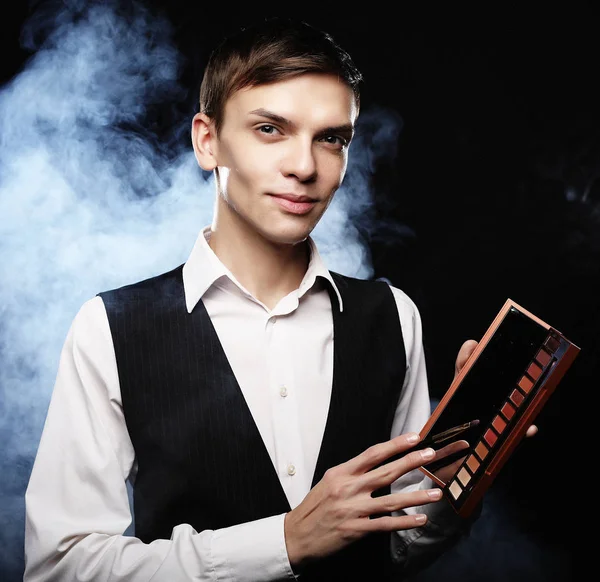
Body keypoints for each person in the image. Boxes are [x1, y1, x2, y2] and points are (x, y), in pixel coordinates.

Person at [23, 16, 535, 581]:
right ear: (207, 141)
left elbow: (399, 545)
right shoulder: (110, 328)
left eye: (331, 138)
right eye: (270, 129)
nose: (304, 167)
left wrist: (459, 482)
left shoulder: (392, 316)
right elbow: (61, 568)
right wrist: (285, 541)